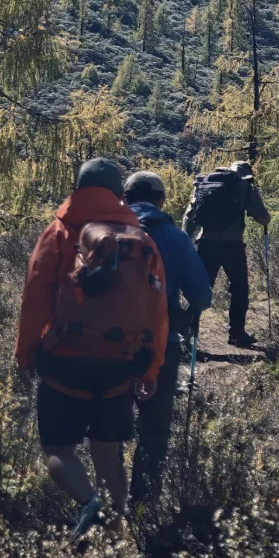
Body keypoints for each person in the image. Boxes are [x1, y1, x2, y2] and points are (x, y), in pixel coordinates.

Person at [15, 158, 169, 539]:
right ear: (119, 195)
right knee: (107, 447)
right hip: (121, 362)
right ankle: (117, 531)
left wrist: (26, 353)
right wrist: (150, 369)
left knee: (57, 446)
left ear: (76, 188)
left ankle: (88, 502)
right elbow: (157, 311)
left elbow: (35, 296)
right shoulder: (141, 239)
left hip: (66, 360)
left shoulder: (59, 231)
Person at [125, 170, 212, 506]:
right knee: (154, 428)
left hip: (106, 345)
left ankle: (105, 498)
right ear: (161, 201)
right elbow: (202, 295)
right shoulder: (175, 238)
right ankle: (143, 504)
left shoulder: (104, 232)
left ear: (125, 198)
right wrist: (186, 313)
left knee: (108, 428)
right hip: (161, 344)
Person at [183, 159, 269, 347]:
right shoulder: (245, 184)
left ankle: (184, 332)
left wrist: (185, 239)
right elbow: (262, 216)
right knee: (239, 288)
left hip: (206, 244)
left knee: (200, 288)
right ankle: (236, 334)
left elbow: (190, 214)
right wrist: (265, 219)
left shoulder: (206, 182)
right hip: (233, 245)